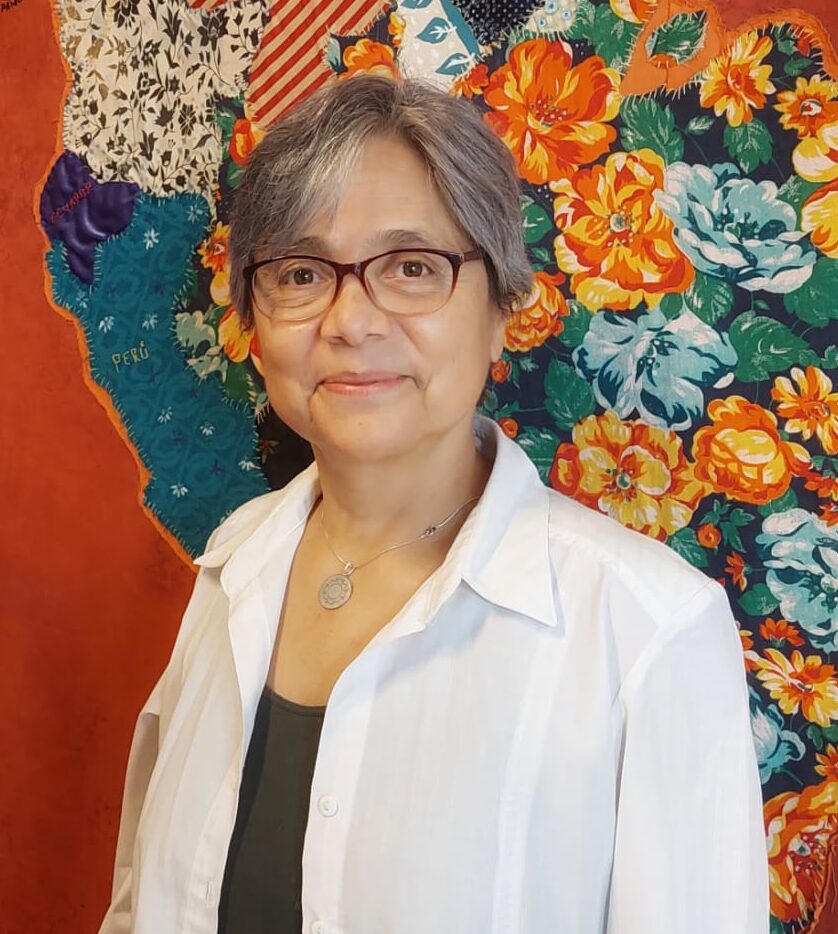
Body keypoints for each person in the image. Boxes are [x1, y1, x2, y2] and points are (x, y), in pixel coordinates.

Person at [99, 75, 769, 934]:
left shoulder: (647, 631)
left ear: (502, 310)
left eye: (412, 268)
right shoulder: (235, 563)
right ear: (255, 326)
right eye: (301, 273)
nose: (351, 321)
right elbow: (137, 904)